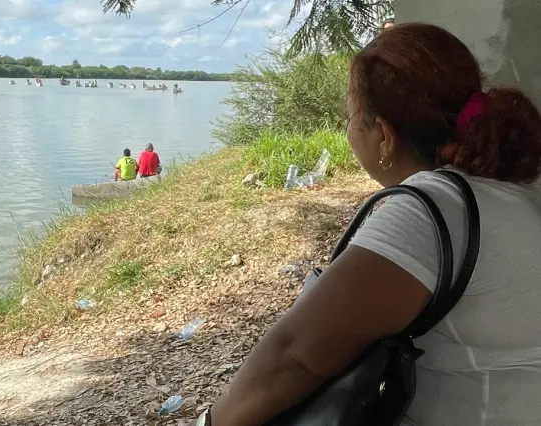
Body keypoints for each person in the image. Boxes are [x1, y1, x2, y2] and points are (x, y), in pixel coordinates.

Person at [188, 23, 541, 426]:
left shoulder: (432, 211)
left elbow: (293, 354)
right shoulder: (512, 197)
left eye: (353, 116)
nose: (348, 130)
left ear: (384, 136)